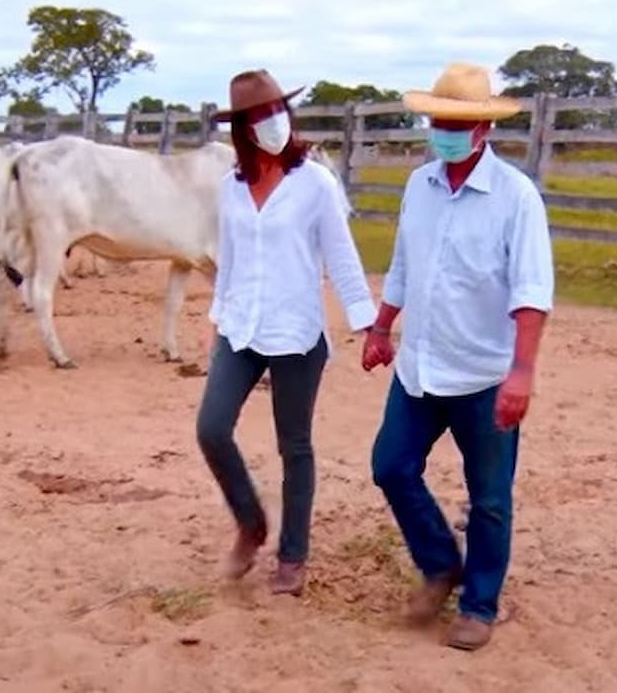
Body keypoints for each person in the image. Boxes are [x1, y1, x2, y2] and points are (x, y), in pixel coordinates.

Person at [361, 62, 555, 650]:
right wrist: (381, 326)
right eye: (437, 120)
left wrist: (521, 371)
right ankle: (442, 563)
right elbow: (402, 265)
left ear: (482, 130)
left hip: (484, 373)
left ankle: (479, 604)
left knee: (490, 498)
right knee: (390, 465)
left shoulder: (516, 198)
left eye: (456, 122)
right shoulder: (418, 187)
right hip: (420, 365)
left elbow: (531, 291)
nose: (443, 130)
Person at [197, 69, 377, 596]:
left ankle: (293, 555)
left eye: (276, 111)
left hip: (296, 331)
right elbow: (227, 261)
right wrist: (215, 323)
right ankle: (250, 522)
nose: (271, 122)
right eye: (258, 116)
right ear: (242, 128)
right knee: (210, 428)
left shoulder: (315, 183)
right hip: (239, 326)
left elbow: (340, 256)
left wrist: (368, 323)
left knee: (293, 445)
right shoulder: (230, 187)